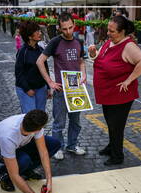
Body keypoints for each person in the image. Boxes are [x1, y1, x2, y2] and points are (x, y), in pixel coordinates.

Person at [88, 15, 141, 166]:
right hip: (108, 93)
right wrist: (93, 54)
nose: (108, 33)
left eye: (112, 31)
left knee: (116, 126)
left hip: (120, 96)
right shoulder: (110, 42)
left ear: (122, 32)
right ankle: (111, 146)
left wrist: (129, 79)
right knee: (110, 123)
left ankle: (117, 156)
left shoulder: (128, 46)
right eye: (108, 29)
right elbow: (100, 60)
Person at [0, 110, 61, 193]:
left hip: (20, 143)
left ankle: (25, 169)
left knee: (54, 144)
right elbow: (15, 175)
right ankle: (3, 174)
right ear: (35, 131)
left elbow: (43, 152)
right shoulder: (8, 137)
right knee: (23, 161)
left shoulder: (32, 122)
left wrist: (49, 181)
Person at [37, 12, 86, 160]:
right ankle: (57, 147)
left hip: (76, 89)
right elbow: (40, 61)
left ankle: (72, 146)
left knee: (75, 121)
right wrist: (50, 82)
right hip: (60, 90)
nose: (68, 31)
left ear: (74, 25)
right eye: (64, 29)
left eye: (70, 27)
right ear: (59, 28)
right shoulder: (55, 42)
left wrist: (83, 75)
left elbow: (81, 61)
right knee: (59, 122)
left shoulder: (79, 42)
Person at [15, 20, 50, 113]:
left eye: (39, 30)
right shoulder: (22, 51)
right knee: (30, 117)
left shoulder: (41, 49)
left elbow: (45, 69)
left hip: (41, 88)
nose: (40, 33)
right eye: (37, 31)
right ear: (29, 36)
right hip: (26, 89)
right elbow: (18, 73)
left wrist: (48, 87)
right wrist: (27, 89)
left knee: (40, 115)